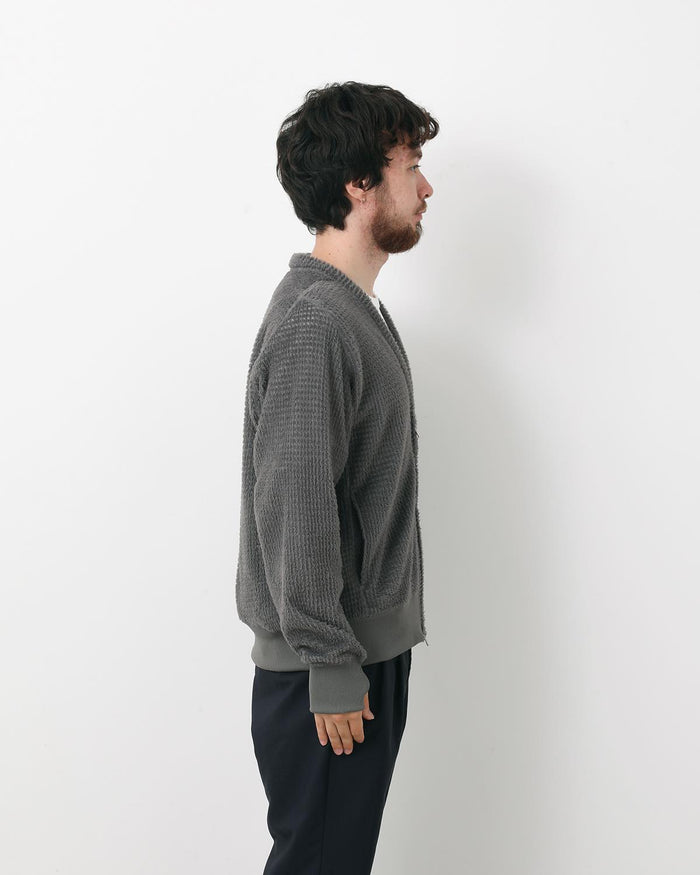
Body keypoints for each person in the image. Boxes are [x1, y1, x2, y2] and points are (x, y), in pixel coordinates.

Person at [235, 81, 438, 874]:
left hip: (354, 654)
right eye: (410, 167)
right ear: (359, 184)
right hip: (330, 666)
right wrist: (329, 661)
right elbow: (298, 503)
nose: (426, 187)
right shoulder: (317, 323)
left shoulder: (352, 310)